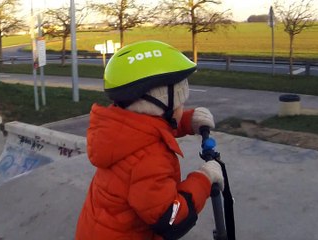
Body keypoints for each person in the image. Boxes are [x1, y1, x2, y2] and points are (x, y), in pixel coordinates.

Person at [75, 40, 224, 240]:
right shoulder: (148, 160)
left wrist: (188, 121)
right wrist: (204, 179)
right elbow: (170, 219)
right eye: (180, 104)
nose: (182, 108)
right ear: (158, 105)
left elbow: (150, 129)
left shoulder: (119, 131)